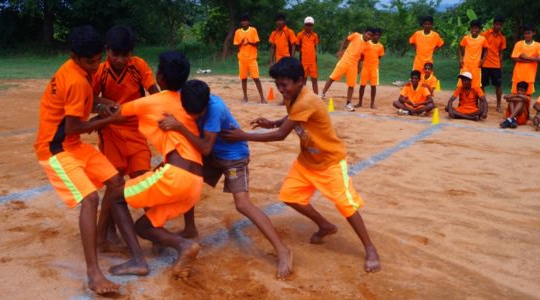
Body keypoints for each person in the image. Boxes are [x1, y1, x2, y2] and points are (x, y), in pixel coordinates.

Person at [221, 57, 381, 273]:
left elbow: (280, 136)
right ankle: (325, 225)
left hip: (330, 161)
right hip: (307, 161)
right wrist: (274, 121)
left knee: (346, 205)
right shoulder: (293, 96)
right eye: (277, 85)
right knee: (290, 197)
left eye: (284, 85)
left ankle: (370, 249)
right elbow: (292, 118)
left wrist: (243, 135)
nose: (280, 90)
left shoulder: (307, 100)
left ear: (300, 81)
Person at [33, 26, 149, 295]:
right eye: (91, 61)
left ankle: (103, 237)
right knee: (90, 199)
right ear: (75, 56)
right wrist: (109, 118)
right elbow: (73, 127)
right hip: (56, 148)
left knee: (116, 181)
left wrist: (103, 102)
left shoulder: (81, 71)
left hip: (72, 144)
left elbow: (87, 99)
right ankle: (93, 274)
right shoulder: (74, 79)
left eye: (99, 59)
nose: (96, 65)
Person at [157, 80, 294, 279]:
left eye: (199, 113)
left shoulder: (215, 108)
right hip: (212, 156)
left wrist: (180, 127)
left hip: (232, 158)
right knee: (187, 178)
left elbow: (205, 148)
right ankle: (190, 228)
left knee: (243, 204)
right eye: (191, 112)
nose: (195, 117)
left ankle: (283, 250)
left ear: (206, 103)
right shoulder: (183, 95)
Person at [110, 51, 204, 279]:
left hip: (176, 176)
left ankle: (138, 260)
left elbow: (117, 112)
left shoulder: (150, 101)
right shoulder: (187, 102)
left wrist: (98, 103)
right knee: (143, 227)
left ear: (160, 77)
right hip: (195, 184)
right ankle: (182, 245)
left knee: (114, 197)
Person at [92, 25, 159, 252]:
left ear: (132, 52)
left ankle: (156, 231)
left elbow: (154, 91)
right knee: (115, 184)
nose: (121, 59)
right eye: (116, 54)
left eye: (125, 54)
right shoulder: (100, 71)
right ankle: (103, 236)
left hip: (136, 131)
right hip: (110, 131)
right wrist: (104, 105)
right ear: (107, 50)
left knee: (143, 178)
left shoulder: (138, 66)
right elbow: (89, 99)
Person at [320, 28, 374, 111]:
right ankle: (322, 94)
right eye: (368, 34)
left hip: (353, 65)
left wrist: (359, 65)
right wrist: (341, 50)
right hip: (345, 60)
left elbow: (362, 56)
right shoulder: (356, 35)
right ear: (364, 33)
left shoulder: (369, 45)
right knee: (332, 77)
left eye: (371, 36)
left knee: (351, 85)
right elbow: (346, 40)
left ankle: (348, 104)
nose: (369, 36)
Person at [234, 14, 266, 103]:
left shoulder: (253, 30)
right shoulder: (238, 32)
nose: (244, 22)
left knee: (256, 78)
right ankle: (245, 97)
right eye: (242, 21)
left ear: (248, 22)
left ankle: (262, 98)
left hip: (252, 58)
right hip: (242, 59)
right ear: (241, 22)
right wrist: (240, 43)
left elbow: (257, 43)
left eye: (246, 20)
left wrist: (249, 42)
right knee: (243, 78)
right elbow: (236, 45)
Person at [481, 16, 507, 112]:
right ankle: (483, 104)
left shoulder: (502, 37)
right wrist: (481, 61)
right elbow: (481, 47)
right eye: (496, 24)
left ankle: (498, 105)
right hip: (485, 64)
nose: (498, 26)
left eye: (500, 25)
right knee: (482, 85)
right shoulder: (485, 34)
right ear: (493, 24)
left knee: (498, 86)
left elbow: (501, 52)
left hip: (496, 64)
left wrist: (501, 65)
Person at [510, 24, 540, 97]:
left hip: (530, 75)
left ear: (533, 33)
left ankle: (526, 109)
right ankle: (514, 108)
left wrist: (526, 57)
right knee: (515, 94)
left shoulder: (538, 45)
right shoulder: (519, 44)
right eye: (525, 33)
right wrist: (533, 59)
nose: (527, 35)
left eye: (529, 33)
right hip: (518, 75)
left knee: (528, 95)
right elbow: (514, 58)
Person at [357, 28, 385, 109]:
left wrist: (375, 64)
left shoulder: (380, 46)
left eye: (378, 35)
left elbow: (379, 57)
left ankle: (372, 103)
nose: (376, 36)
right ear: (372, 36)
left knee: (373, 86)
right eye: (375, 35)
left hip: (374, 69)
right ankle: (360, 102)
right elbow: (361, 56)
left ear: (379, 36)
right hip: (365, 67)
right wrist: (359, 65)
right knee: (362, 85)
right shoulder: (367, 44)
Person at [458, 20, 488, 89]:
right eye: (472, 28)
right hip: (466, 65)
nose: (474, 30)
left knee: (475, 86)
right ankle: (462, 99)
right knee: (462, 84)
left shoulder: (482, 39)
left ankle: (474, 100)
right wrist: (460, 59)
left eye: (476, 28)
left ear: (479, 29)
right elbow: (459, 48)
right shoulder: (466, 38)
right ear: (470, 29)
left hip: (476, 66)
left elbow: (486, 50)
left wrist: (482, 61)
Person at [296, 16, 320, 94]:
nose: (308, 27)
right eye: (307, 25)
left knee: (314, 79)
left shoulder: (315, 36)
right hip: (304, 61)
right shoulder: (300, 35)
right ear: (304, 25)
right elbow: (297, 47)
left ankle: (316, 96)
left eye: (310, 25)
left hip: (312, 61)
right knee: (303, 80)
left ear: (312, 26)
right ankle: (301, 96)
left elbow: (315, 47)